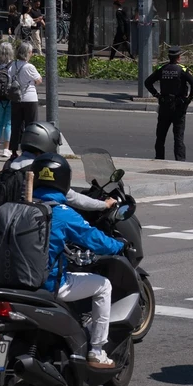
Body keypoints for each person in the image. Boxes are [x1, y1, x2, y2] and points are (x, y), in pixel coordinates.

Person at [30, 153, 126, 368]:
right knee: (104, 286)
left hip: (10, 282)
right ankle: (97, 350)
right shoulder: (62, 213)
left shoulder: (16, 205)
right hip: (47, 284)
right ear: (64, 180)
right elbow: (95, 240)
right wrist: (119, 245)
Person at [144, 45, 193, 161]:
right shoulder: (182, 70)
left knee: (160, 136)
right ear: (179, 57)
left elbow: (147, 82)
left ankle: (159, 159)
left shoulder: (162, 69)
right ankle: (180, 162)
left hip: (164, 105)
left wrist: (156, 95)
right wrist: (189, 99)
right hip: (179, 106)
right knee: (178, 137)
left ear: (169, 57)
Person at [8, 42, 43, 159]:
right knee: (31, 125)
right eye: (31, 52)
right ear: (27, 53)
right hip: (30, 98)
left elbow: (9, 77)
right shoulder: (29, 67)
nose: (32, 54)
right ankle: (29, 149)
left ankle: (13, 151)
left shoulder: (13, 65)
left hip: (16, 98)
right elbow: (39, 80)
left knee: (16, 125)